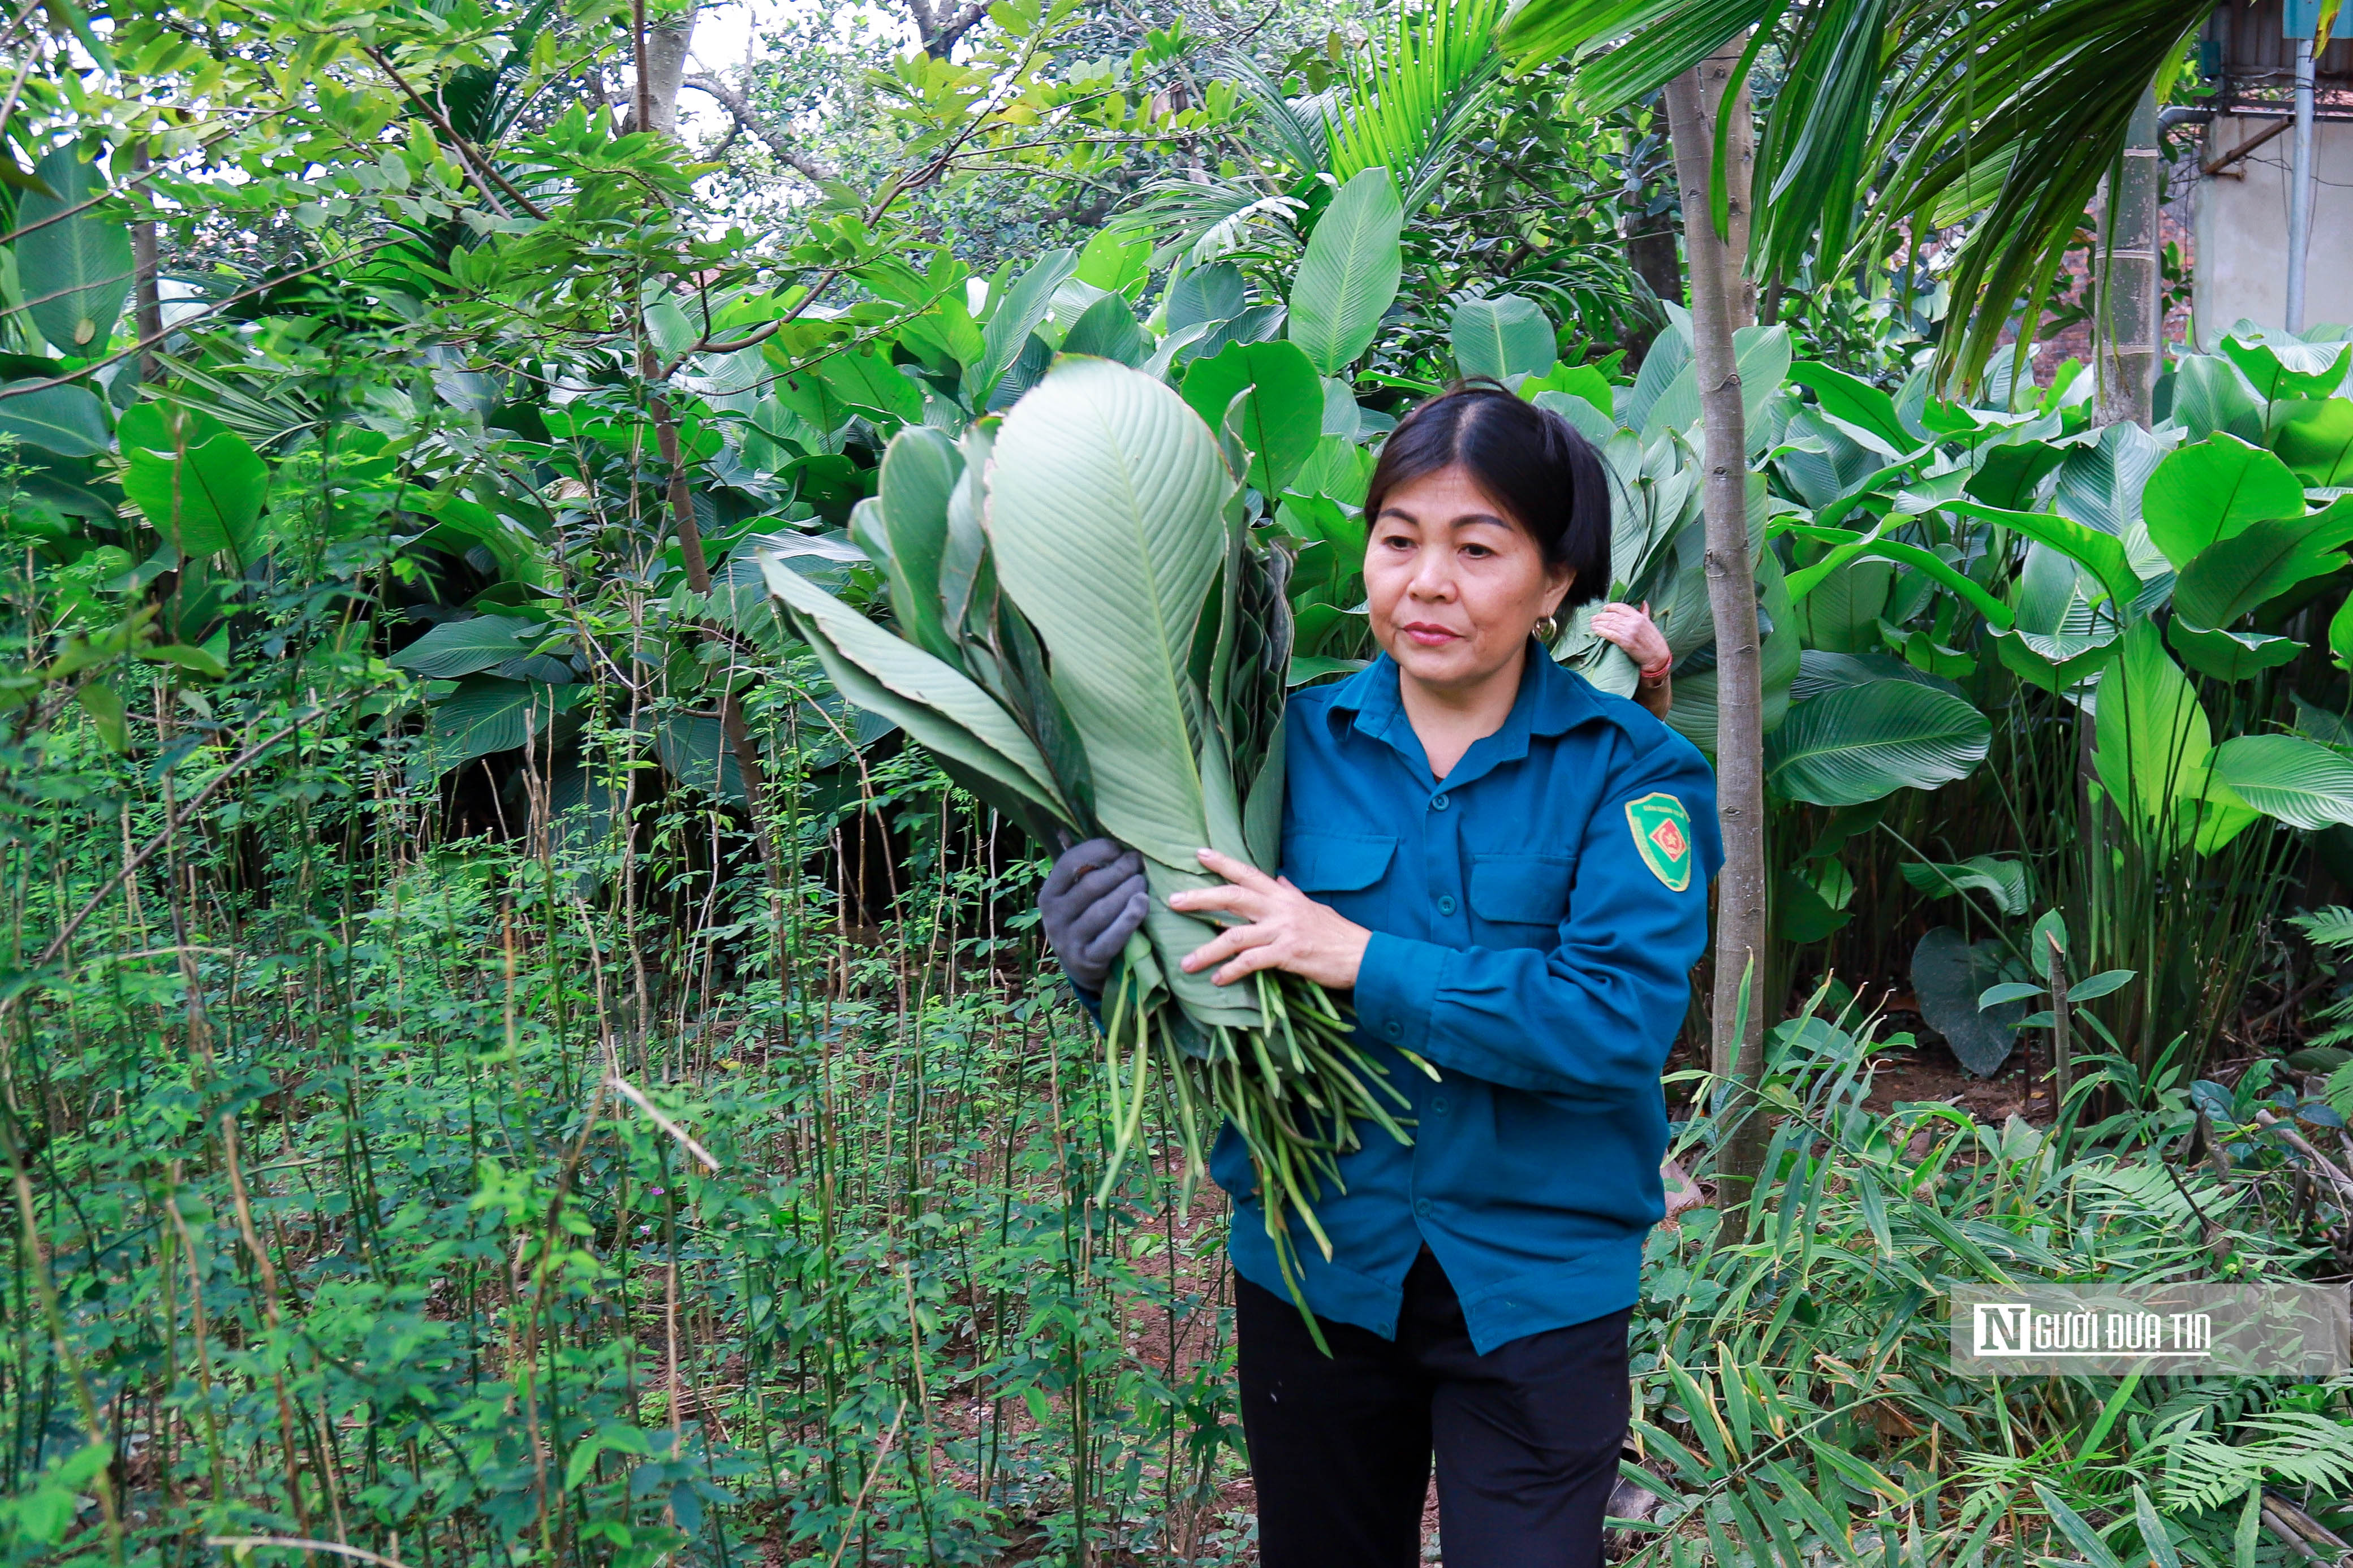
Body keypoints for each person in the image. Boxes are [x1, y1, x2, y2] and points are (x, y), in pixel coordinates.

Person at [1036, 385, 1722, 1568]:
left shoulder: (1633, 771)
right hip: (1318, 1266)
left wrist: (1355, 956)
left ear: (1557, 581)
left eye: (1477, 547)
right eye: (1398, 540)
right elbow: (1209, 989)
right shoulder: (1269, 750)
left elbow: (1612, 1023)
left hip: (1537, 1284)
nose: (1427, 582)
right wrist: (1104, 963)